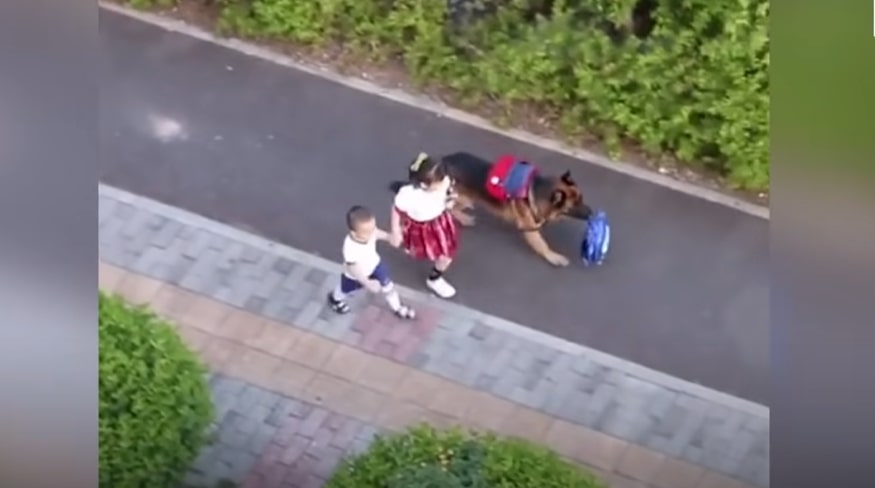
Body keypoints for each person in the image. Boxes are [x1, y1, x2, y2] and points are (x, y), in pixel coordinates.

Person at [391, 152, 460, 299]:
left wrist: (450, 201)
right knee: (428, 250)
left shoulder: (444, 180)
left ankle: (434, 278)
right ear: (423, 185)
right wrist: (395, 230)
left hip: (440, 222)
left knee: (446, 254)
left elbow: (451, 193)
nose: (443, 183)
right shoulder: (408, 195)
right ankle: (420, 252)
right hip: (420, 227)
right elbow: (397, 209)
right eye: (438, 183)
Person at [327, 205, 416, 319]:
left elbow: (377, 233)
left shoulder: (369, 232)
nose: (372, 233)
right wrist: (367, 282)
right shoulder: (350, 247)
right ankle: (335, 299)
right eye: (367, 232)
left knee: (388, 285)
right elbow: (354, 268)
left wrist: (389, 237)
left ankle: (397, 307)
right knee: (345, 289)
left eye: (373, 228)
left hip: (375, 265)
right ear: (354, 233)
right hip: (356, 276)